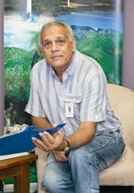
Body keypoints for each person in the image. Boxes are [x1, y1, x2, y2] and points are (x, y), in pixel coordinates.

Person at [25, 21, 125, 193]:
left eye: (60, 41)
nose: (54, 48)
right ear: (42, 50)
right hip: (64, 140)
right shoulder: (37, 72)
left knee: (80, 155)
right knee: (52, 182)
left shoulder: (91, 71)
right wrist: (55, 141)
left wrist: (64, 144)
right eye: (47, 44)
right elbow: (38, 117)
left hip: (104, 137)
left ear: (72, 45)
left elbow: (88, 129)